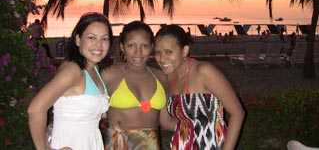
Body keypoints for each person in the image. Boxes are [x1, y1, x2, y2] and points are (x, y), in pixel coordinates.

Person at [27, 12, 114, 150]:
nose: (98, 45)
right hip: (71, 144)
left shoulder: (94, 68)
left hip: (91, 143)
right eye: (91, 38)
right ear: (78, 39)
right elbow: (36, 109)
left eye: (104, 39)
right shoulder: (72, 71)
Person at [154, 24, 245, 149]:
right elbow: (170, 123)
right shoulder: (169, 78)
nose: (162, 58)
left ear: (184, 51)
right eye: (157, 52)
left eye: (168, 52)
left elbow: (238, 113)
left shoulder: (204, 71)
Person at [101, 21, 172, 150]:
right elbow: (89, 110)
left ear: (151, 47)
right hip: (119, 145)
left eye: (144, 45)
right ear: (122, 47)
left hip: (151, 145)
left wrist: (196, 123)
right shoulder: (109, 75)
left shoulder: (161, 77)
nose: (138, 52)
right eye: (131, 45)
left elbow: (166, 121)